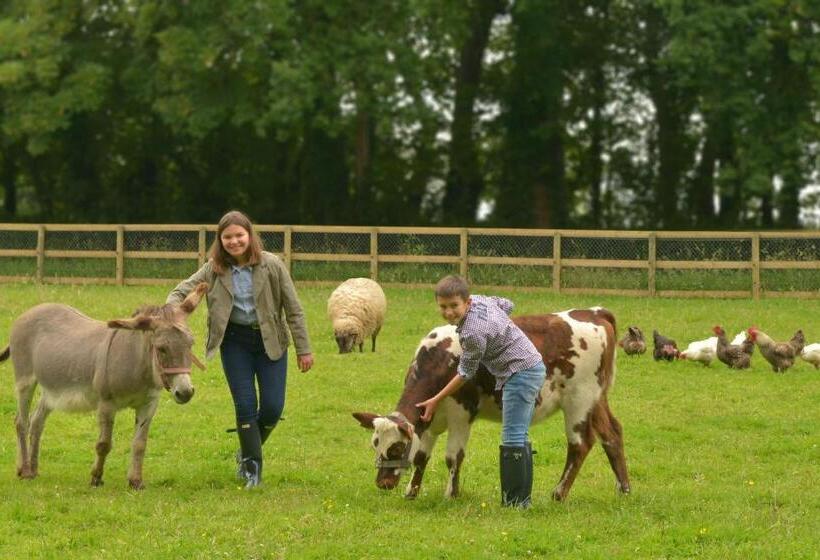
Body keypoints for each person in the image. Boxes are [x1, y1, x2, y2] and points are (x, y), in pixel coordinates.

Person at [167, 210, 314, 488]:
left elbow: (294, 309)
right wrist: (173, 313)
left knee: (272, 407)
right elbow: (178, 291)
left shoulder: (272, 265)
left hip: (271, 341)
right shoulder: (213, 268)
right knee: (245, 404)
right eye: (227, 237)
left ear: (249, 236)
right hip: (234, 343)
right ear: (220, 241)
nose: (234, 242)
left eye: (239, 236)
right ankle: (251, 469)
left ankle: (246, 451)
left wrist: (304, 349)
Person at [415, 275, 545, 507]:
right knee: (519, 435)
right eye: (443, 307)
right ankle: (520, 500)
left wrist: (435, 399)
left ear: (467, 302)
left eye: (454, 306)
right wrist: (498, 329)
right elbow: (507, 304)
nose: (448, 312)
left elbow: (465, 372)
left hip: (520, 373)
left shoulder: (471, 334)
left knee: (513, 437)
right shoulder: (482, 301)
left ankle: (516, 504)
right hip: (530, 366)